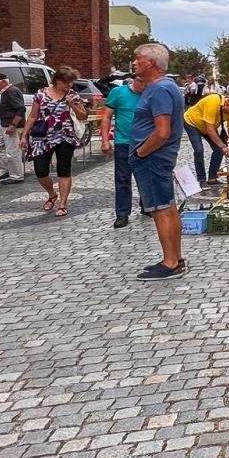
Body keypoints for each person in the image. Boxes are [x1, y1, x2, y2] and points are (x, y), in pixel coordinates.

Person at [128, 42, 187, 281]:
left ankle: (170, 262)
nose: (134, 62)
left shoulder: (160, 89)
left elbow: (162, 131)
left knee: (160, 210)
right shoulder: (165, 86)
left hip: (152, 158)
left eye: (137, 58)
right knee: (168, 207)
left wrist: (141, 152)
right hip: (156, 158)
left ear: (150, 63)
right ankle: (175, 258)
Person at [20, 66, 88, 217]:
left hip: (66, 135)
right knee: (40, 171)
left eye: (71, 82)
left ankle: (63, 204)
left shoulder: (72, 95)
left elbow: (83, 116)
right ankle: (52, 194)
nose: (69, 85)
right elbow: (32, 116)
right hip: (42, 136)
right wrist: (24, 134)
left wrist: (72, 105)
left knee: (64, 170)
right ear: (57, 80)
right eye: (67, 82)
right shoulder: (41, 94)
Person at [100, 72, 144, 227]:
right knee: (122, 179)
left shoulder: (151, 94)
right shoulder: (118, 93)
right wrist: (105, 140)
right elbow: (106, 117)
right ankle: (122, 213)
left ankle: (147, 206)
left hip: (146, 142)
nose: (143, 86)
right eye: (141, 82)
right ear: (135, 80)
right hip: (123, 142)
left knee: (145, 176)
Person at [184, 89, 229, 184]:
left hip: (209, 127)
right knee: (199, 150)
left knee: (219, 150)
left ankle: (212, 178)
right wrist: (223, 146)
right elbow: (210, 129)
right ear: (228, 104)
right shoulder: (213, 101)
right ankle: (201, 179)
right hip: (192, 123)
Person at [0, 71, 27, 183]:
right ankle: (9, 170)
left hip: (12, 127)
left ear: (3, 82)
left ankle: (17, 176)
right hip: (5, 125)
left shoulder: (11, 92)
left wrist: (13, 125)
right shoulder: (7, 92)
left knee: (13, 152)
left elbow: (21, 109)